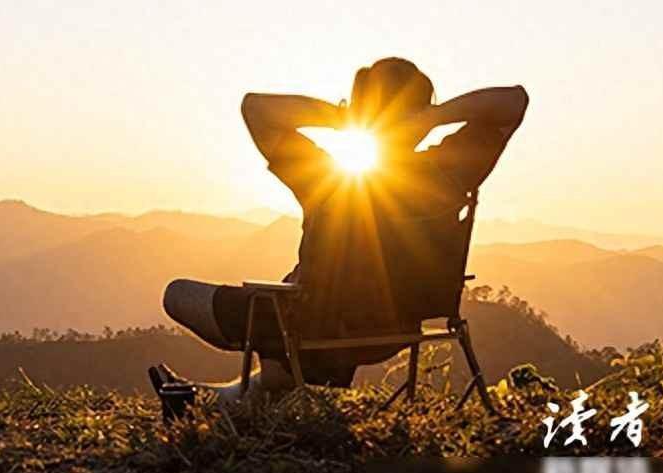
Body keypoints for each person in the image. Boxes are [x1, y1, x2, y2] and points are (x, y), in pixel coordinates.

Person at [150, 58, 528, 410]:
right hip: (395, 330)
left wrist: (342, 117)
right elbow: (514, 100)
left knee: (178, 294)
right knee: (281, 362)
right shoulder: (449, 172)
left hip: (311, 325)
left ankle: (207, 398)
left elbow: (256, 109)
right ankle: (201, 398)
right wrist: (433, 116)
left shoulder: (328, 179)